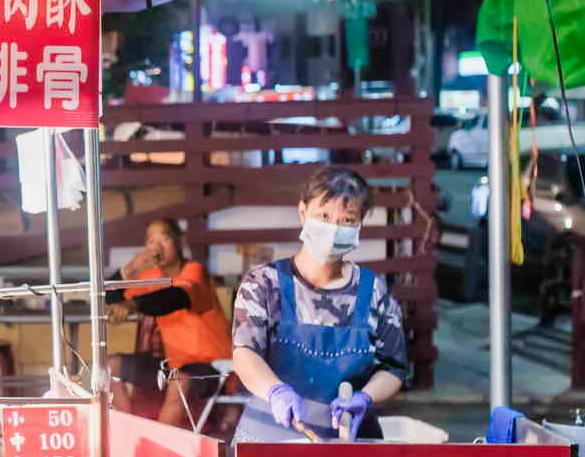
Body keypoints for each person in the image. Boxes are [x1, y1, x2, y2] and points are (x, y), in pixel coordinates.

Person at [229, 166, 407, 440]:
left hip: (347, 447)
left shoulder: (373, 292)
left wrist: (365, 398)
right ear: (303, 212)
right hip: (267, 443)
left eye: (347, 220)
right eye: (323, 216)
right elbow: (244, 353)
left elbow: (393, 368)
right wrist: (276, 391)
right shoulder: (264, 284)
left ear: (360, 225)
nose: (334, 228)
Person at [105, 219, 232, 425]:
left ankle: (157, 447)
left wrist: (131, 306)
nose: (156, 247)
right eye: (150, 241)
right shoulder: (151, 276)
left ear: (179, 241)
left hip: (214, 366)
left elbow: (173, 298)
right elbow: (109, 296)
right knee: (108, 367)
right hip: (173, 364)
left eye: (164, 238)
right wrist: (129, 269)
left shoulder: (194, 271)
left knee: (179, 380)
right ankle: (130, 433)